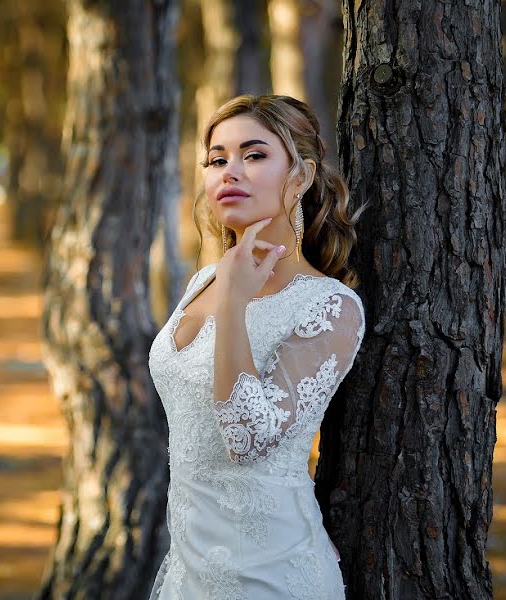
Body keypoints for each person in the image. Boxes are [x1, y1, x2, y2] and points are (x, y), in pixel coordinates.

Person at [147, 94, 367, 599]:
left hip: (272, 571)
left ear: (302, 176)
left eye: (254, 155)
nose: (231, 172)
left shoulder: (329, 306)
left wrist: (235, 305)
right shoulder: (202, 280)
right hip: (189, 567)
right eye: (217, 159)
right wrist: (227, 289)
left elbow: (247, 438)